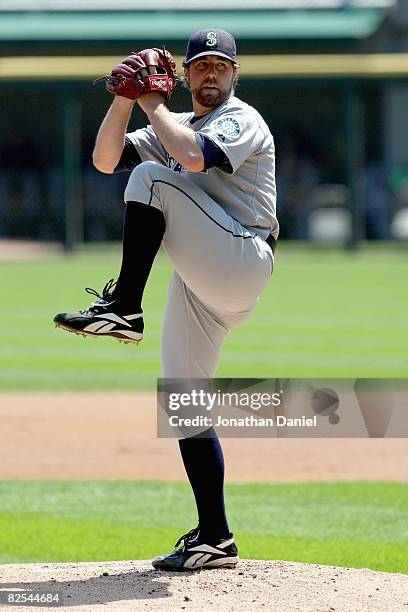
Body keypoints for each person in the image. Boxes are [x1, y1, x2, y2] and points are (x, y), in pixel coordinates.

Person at [54, 29, 278, 570]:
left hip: (242, 258)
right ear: (186, 74)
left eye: (219, 66)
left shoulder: (240, 117)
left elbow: (193, 159)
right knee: (183, 398)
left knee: (153, 178)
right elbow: (107, 161)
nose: (209, 74)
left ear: (234, 74)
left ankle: (125, 307)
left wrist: (153, 101)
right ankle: (215, 537)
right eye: (199, 65)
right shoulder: (172, 122)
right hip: (206, 280)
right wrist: (124, 97)